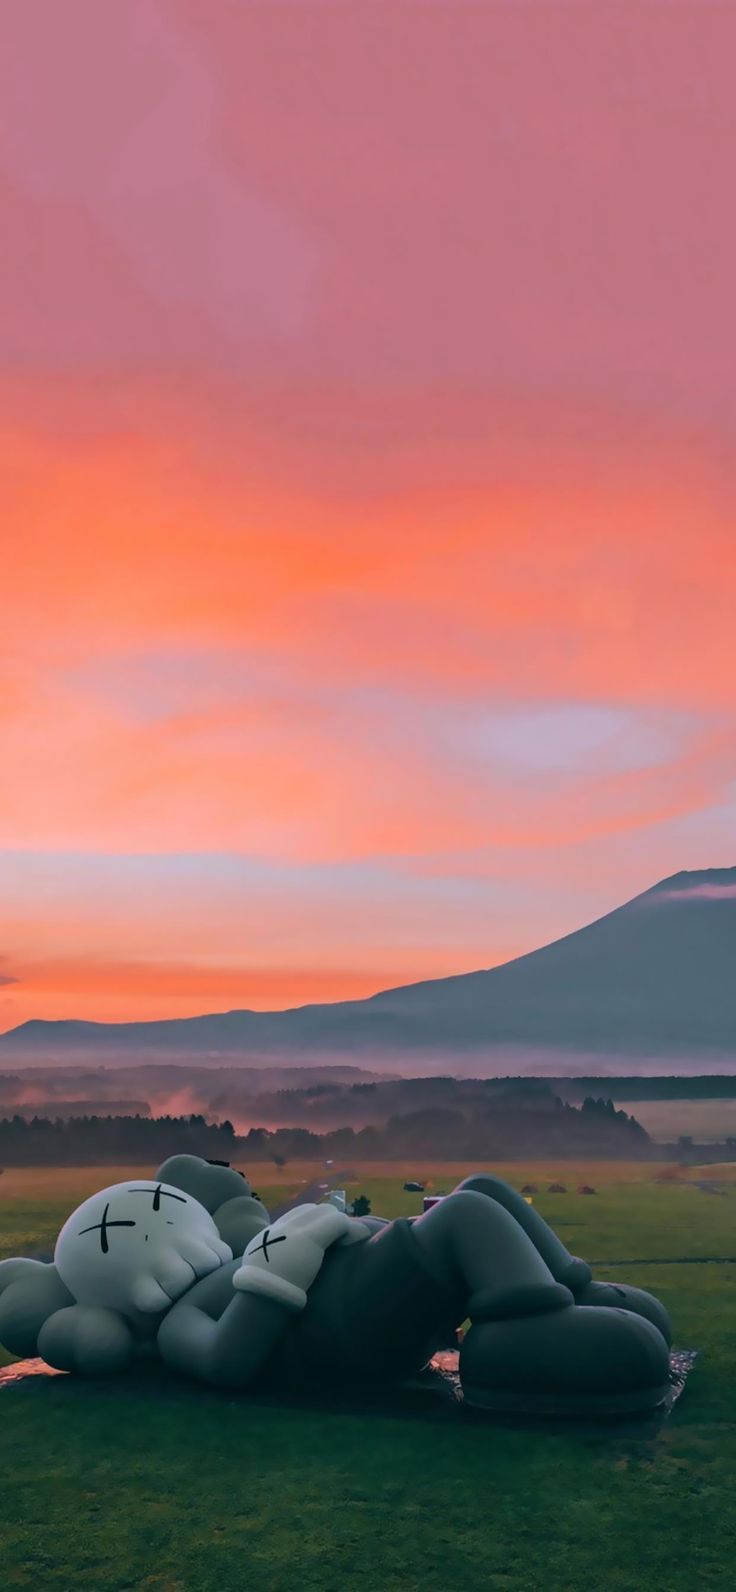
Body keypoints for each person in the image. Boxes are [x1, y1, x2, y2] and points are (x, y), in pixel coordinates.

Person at [0, 1157, 672, 1418]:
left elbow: (309, 1243)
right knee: (466, 1217)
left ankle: (569, 1288)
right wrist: (275, 1268)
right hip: (342, 1335)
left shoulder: (231, 1253)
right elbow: (228, 1364)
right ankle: (525, 1335)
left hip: (349, 1297)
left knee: (478, 1191)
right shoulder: (179, 1323)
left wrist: (342, 1231)